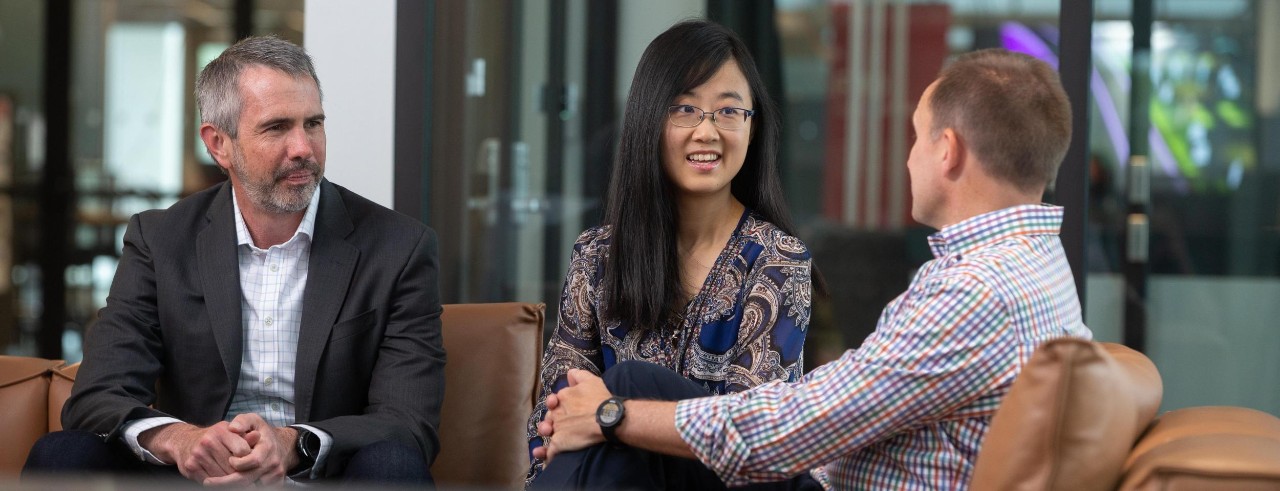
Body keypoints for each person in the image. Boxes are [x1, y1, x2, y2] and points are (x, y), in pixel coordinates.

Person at [531, 48, 1093, 490]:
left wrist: (611, 414)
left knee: (626, 395)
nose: (908, 158)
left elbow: (786, 432)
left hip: (808, 470)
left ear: (947, 150)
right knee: (633, 391)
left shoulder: (975, 291)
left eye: (916, 137)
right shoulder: (1037, 263)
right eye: (683, 109)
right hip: (822, 468)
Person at [22, 36, 444, 486]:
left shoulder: (399, 247)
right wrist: (180, 440)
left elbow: (407, 422)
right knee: (61, 453)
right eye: (277, 127)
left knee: (394, 465)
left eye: (313, 123)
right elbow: (98, 395)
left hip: (319, 476)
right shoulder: (160, 239)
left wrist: (293, 444)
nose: (303, 147)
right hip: (192, 476)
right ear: (218, 144)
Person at [525, 20, 819, 486]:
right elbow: (556, 417)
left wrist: (613, 413)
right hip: (615, 476)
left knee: (627, 384)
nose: (707, 132)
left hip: (733, 480)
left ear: (752, 126)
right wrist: (597, 424)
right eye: (685, 109)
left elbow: (753, 432)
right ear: (649, 119)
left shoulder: (777, 259)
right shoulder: (597, 255)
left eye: (728, 112)